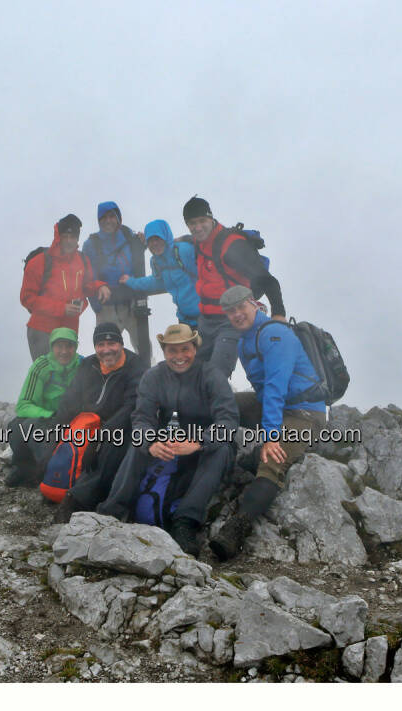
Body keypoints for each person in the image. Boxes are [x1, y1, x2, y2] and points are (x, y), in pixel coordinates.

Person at [95, 324, 238, 554]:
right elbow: (142, 418)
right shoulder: (154, 376)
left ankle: (186, 522)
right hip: (170, 440)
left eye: (185, 349)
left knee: (221, 449)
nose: (179, 356)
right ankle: (112, 510)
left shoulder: (212, 376)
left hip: (204, 442)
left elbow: (229, 421)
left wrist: (199, 442)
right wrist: (150, 442)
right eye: (172, 351)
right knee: (137, 443)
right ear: (164, 352)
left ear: (195, 349)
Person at [209, 285, 328, 561]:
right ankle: (212, 453)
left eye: (241, 307)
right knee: (224, 403)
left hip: (303, 413)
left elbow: (276, 387)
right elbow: (265, 393)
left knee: (271, 459)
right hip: (276, 406)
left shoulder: (274, 334)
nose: (237, 314)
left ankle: (235, 530)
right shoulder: (244, 340)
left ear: (255, 305)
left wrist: (271, 437)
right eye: (231, 311)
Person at [52, 322, 147, 523]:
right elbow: (71, 399)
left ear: (120, 344)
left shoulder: (135, 367)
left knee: (112, 447)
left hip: (119, 426)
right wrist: (59, 429)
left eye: (111, 343)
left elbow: (131, 407)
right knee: (48, 435)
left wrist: (100, 437)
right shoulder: (89, 365)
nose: (106, 350)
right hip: (88, 423)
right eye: (100, 344)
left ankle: (75, 500)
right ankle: (45, 478)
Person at [182, 196, 287, 378]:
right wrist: (179, 239)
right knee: (192, 371)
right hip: (205, 321)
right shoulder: (198, 241)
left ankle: (220, 404)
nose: (197, 227)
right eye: (192, 223)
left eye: (201, 221)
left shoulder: (231, 246)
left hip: (230, 320)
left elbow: (267, 280)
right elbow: (192, 238)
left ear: (211, 218)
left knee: (216, 374)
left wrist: (278, 315)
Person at [20, 214, 111, 361]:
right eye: (65, 236)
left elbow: (87, 285)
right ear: (58, 236)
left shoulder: (82, 259)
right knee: (45, 376)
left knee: (67, 378)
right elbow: (27, 298)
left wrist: (100, 286)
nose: (69, 241)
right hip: (43, 331)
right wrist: (62, 308)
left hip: (69, 331)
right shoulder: (39, 262)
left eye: (73, 237)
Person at [4, 328, 82, 488]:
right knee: (17, 427)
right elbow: (23, 405)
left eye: (69, 346)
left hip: (74, 421)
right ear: (51, 347)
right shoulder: (41, 367)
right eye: (59, 346)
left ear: (76, 347)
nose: (64, 351)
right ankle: (26, 469)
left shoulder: (84, 366)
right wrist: (49, 415)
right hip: (46, 418)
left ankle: (54, 475)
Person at [82, 201, 151, 367]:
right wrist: (97, 301)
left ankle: (146, 381)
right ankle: (107, 384)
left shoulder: (131, 238)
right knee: (107, 351)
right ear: (98, 221)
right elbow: (86, 277)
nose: (108, 220)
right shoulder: (91, 244)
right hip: (107, 306)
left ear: (119, 218)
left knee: (144, 349)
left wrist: (146, 240)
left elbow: (151, 247)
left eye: (112, 216)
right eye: (103, 217)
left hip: (133, 303)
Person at [119, 219, 199, 329]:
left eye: (158, 238)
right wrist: (131, 281)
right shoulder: (156, 262)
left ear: (166, 236)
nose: (154, 243)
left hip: (206, 317)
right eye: (150, 240)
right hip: (185, 319)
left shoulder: (183, 251)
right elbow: (157, 283)